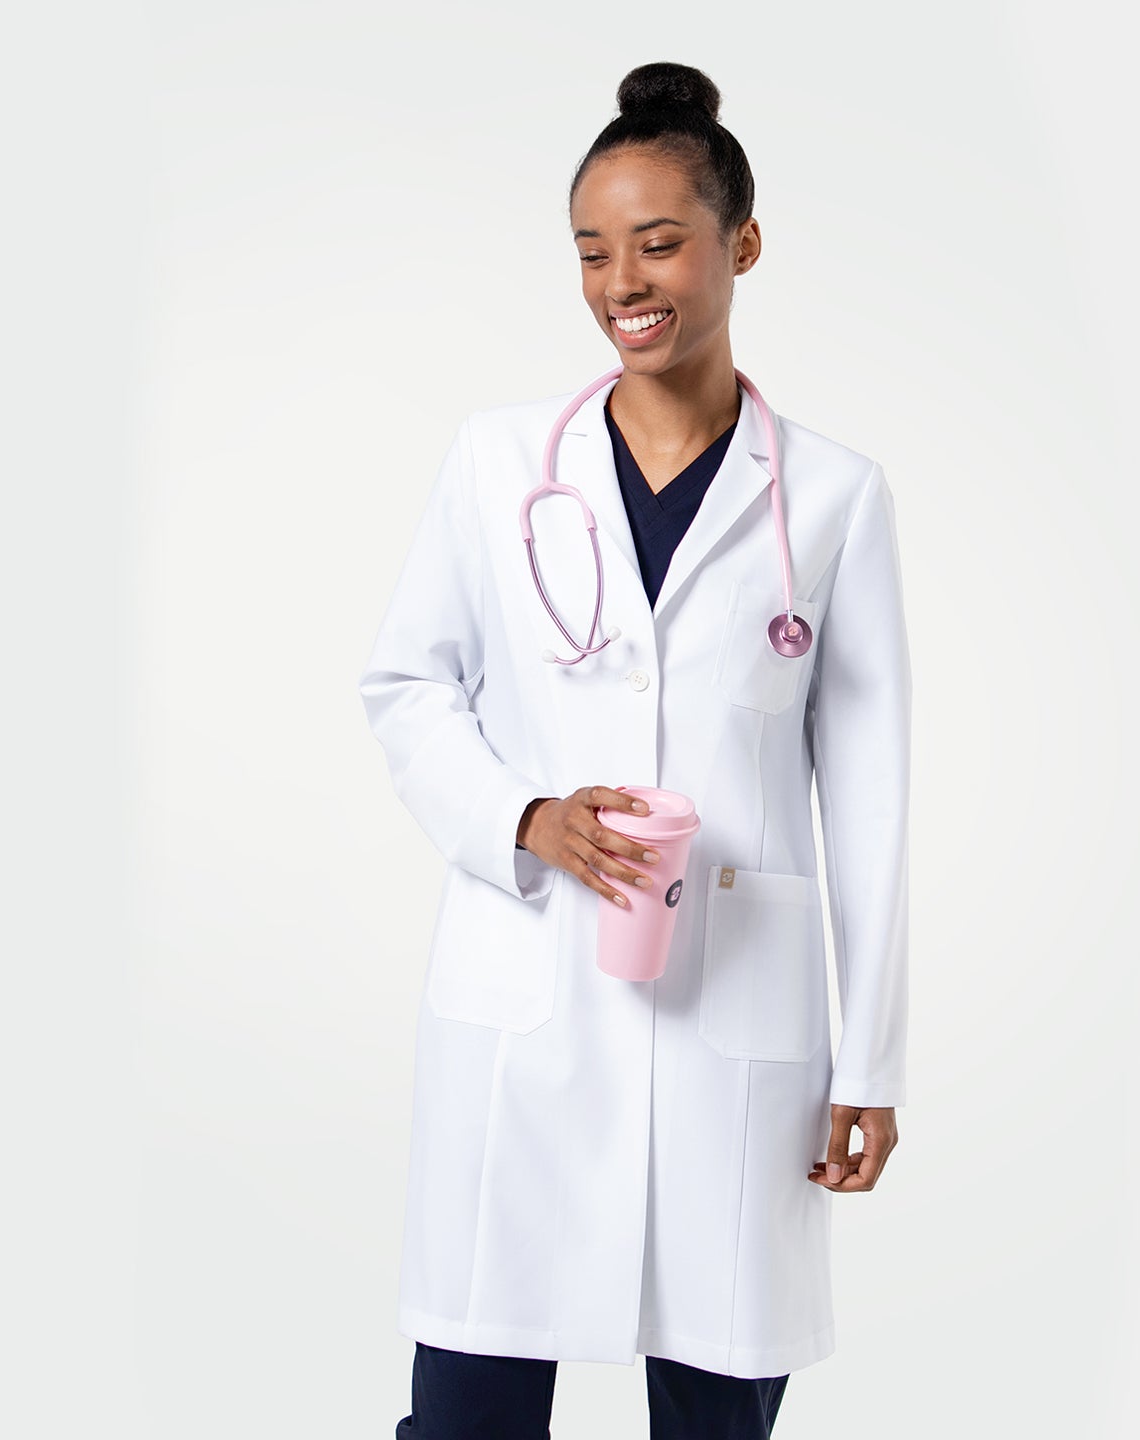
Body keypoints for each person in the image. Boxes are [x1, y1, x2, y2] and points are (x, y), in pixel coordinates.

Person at [358, 60, 912, 1440]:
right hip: (528, 992)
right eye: (593, 251)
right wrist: (521, 816)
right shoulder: (499, 466)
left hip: (737, 1007)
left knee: (720, 1416)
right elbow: (408, 684)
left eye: (659, 241)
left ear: (742, 243)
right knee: (467, 1416)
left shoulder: (833, 497)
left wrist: (874, 1064)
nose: (624, 282)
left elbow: (875, 793)